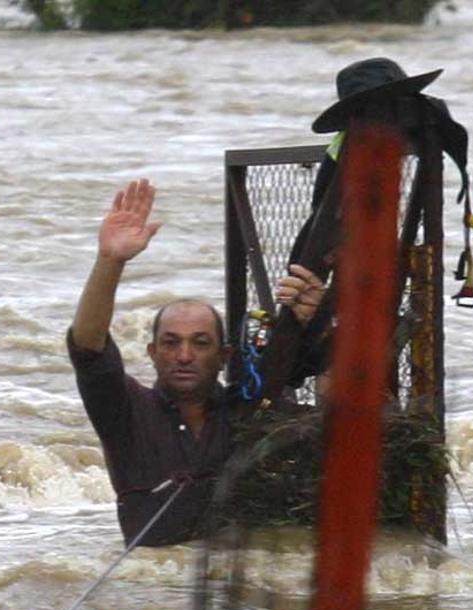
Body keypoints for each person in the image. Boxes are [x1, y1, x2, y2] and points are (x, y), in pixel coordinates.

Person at [67, 178, 324, 546]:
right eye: (171, 343)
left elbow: (341, 416)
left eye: (200, 343)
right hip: (157, 587)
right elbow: (88, 348)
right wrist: (110, 261)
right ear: (153, 354)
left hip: (241, 587)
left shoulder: (252, 410)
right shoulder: (126, 413)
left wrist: (321, 316)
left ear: (224, 357)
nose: (184, 356)